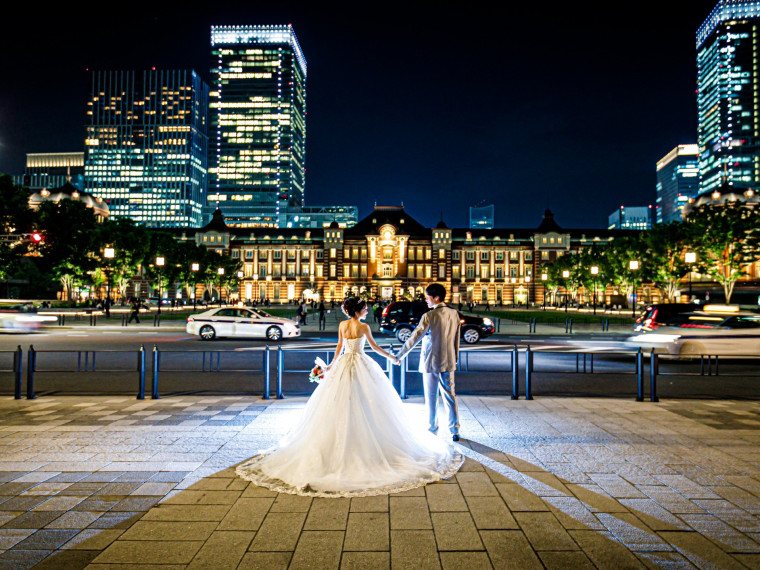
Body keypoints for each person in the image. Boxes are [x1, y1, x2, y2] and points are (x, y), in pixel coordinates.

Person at [236, 297, 462, 497]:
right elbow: (373, 348)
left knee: (338, 401)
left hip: (344, 364)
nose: (367, 310)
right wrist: (393, 357)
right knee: (371, 401)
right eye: (364, 308)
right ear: (358, 311)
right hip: (362, 363)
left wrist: (331, 366)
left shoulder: (344, 325)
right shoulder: (363, 327)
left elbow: (339, 348)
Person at [395, 283, 461, 441]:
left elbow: (414, 337)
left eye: (428, 297)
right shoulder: (454, 313)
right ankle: (455, 430)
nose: (426, 300)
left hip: (431, 361)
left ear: (436, 298)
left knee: (431, 397)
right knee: (450, 396)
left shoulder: (429, 316)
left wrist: (400, 355)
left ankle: (432, 428)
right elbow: (457, 339)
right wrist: (455, 358)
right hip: (449, 360)